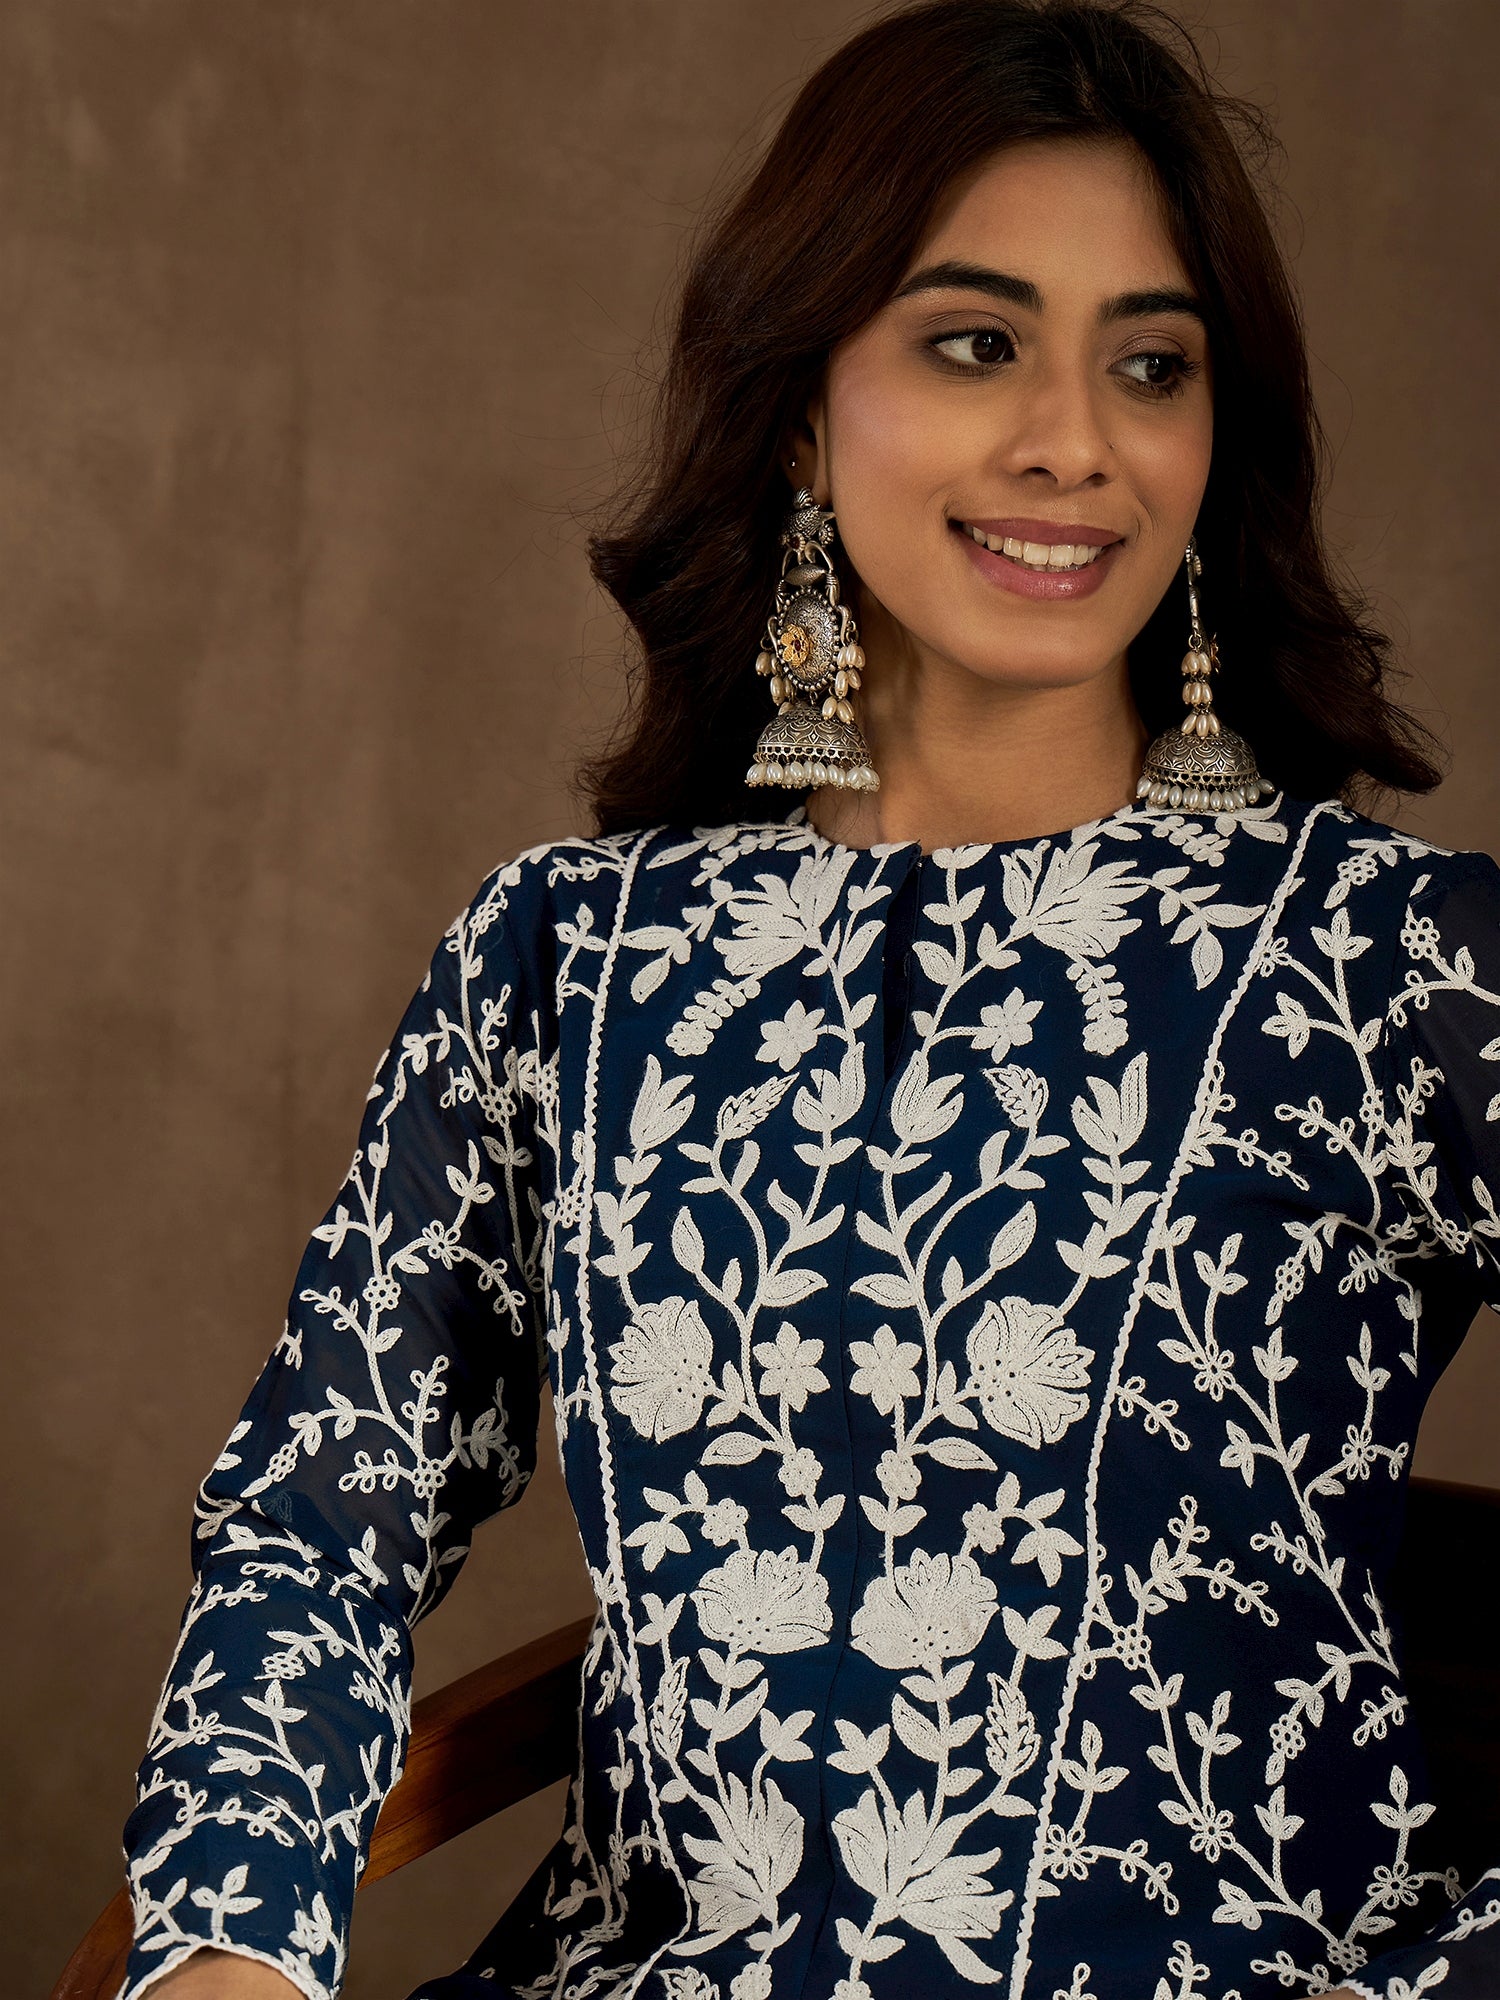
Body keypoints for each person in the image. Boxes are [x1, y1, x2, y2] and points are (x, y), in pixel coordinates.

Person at [119, 3, 1500, 1997]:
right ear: (797, 405)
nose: (1073, 439)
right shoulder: (565, 963)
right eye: (975, 343)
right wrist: (228, 1949)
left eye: (1152, 364)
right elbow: (322, 1520)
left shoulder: (1382, 966)